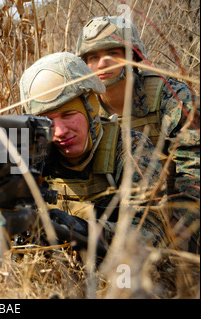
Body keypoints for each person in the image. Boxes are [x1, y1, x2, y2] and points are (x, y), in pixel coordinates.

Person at [19, 52, 167, 250]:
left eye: (69, 114)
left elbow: (152, 233)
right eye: (48, 122)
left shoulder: (130, 148)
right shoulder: (36, 153)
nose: (60, 132)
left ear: (92, 108)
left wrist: (83, 230)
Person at [75, 16, 199, 253]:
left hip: (170, 212)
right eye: (93, 57)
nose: (102, 63)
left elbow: (194, 161)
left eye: (114, 53)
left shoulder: (170, 96)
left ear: (134, 57)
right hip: (110, 212)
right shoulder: (81, 105)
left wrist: (182, 219)